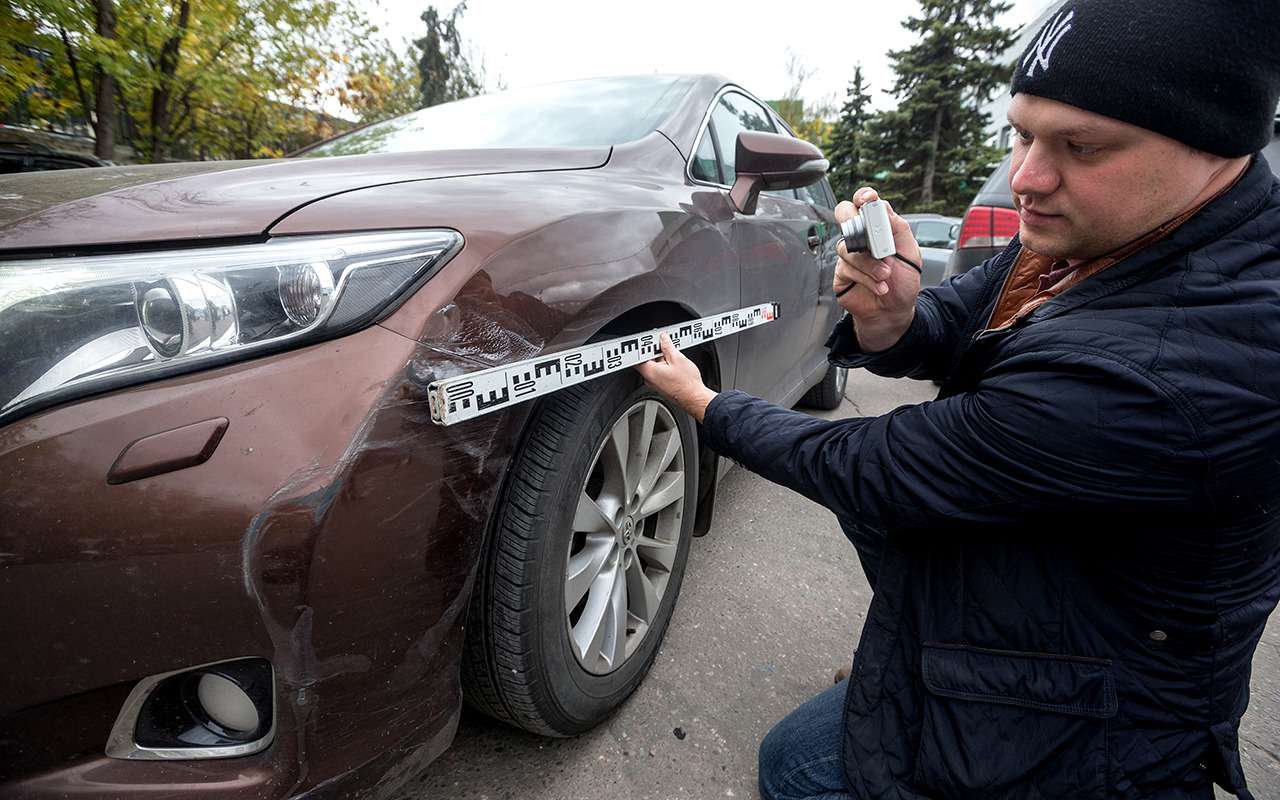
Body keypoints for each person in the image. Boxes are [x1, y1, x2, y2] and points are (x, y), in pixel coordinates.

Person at [635, 1, 1280, 798]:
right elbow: (966, 313)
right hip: (1043, 594)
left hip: (1090, 709)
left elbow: (873, 465)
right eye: (1023, 133)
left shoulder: (1175, 368)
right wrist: (896, 314)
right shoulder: (1109, 234)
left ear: (1216, 144)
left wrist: (707, 406)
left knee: (796, 767)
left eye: (1080, 145)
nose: (1026, 178)